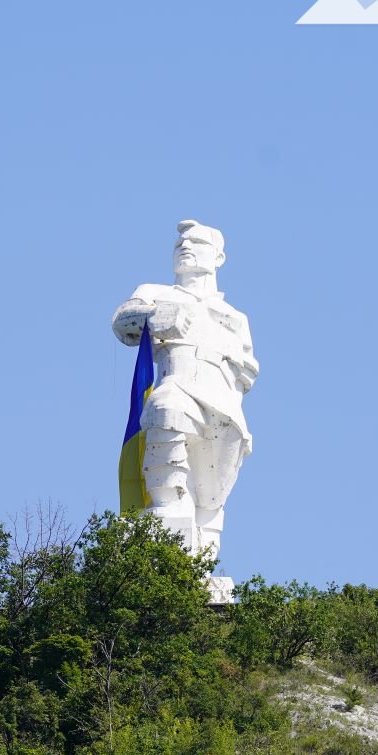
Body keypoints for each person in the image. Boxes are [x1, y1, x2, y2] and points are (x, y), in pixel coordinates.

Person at [111, 219, 258, 560]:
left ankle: (204, 547)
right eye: (180, 245)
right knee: (166, 411)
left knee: (210, 496)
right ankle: (166, 514)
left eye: (197, 244)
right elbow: (122, 321)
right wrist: (153, 318)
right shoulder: (156, 293)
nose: (185, 248)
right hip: (176, 382)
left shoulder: (235, 317)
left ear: (218, 257)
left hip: (222, 403)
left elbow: (247, 372)